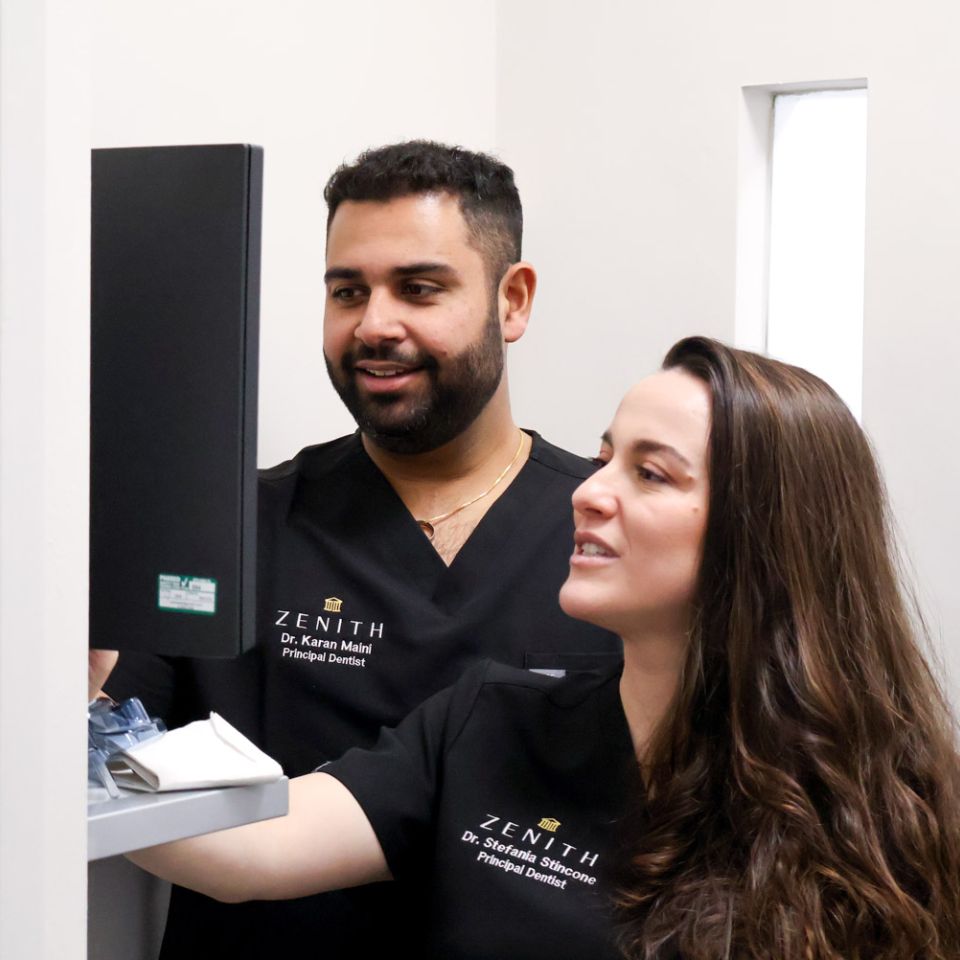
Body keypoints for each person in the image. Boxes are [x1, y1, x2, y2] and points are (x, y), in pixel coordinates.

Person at [108, 337, 960, 959]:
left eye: (650, 473)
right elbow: (247, 850)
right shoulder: (487, 725)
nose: (589, 493)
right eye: (602, 458)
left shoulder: (899, 807)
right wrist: (71, 700)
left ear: (764, 534)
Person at [99, 141, 621, 957]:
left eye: (419, 288)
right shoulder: (230, 529)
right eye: (348, 291)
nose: (375, 325)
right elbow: (99, 754)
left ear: (512, 301)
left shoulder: (611, 539)